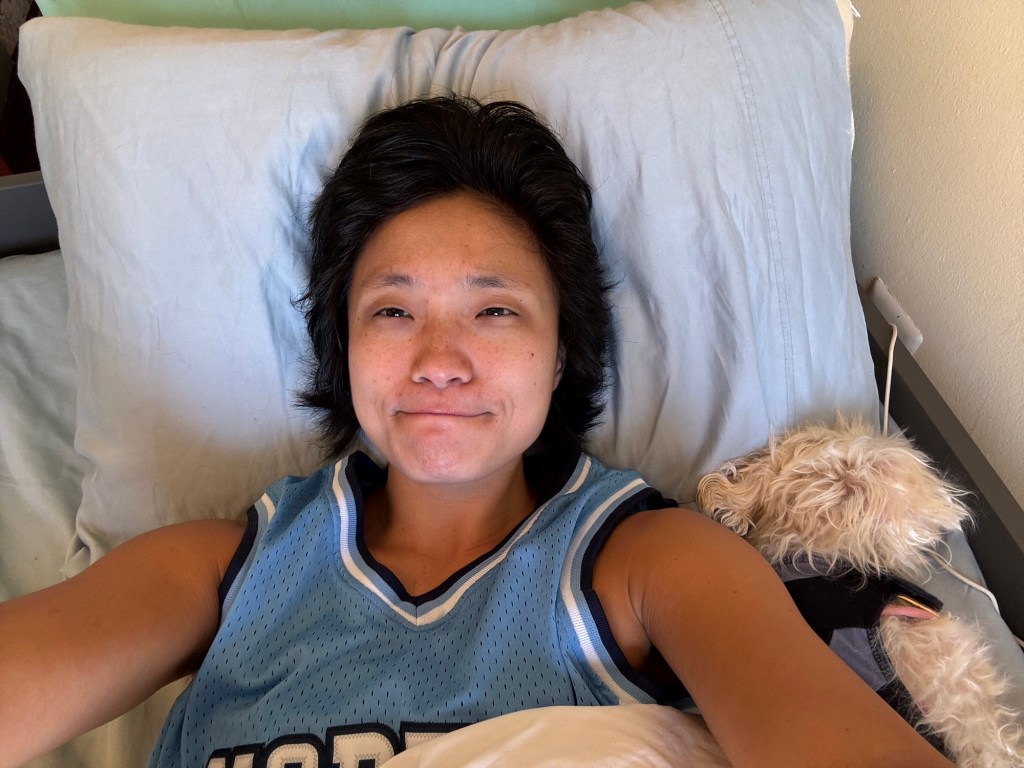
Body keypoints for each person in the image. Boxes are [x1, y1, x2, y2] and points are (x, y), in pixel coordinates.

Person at [0, 96, 952, 768]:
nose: (439, 360)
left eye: (494, 311)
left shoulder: (651, 564)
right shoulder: (221, 572)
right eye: (392, 311)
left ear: (562, 350)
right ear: (343, 349)